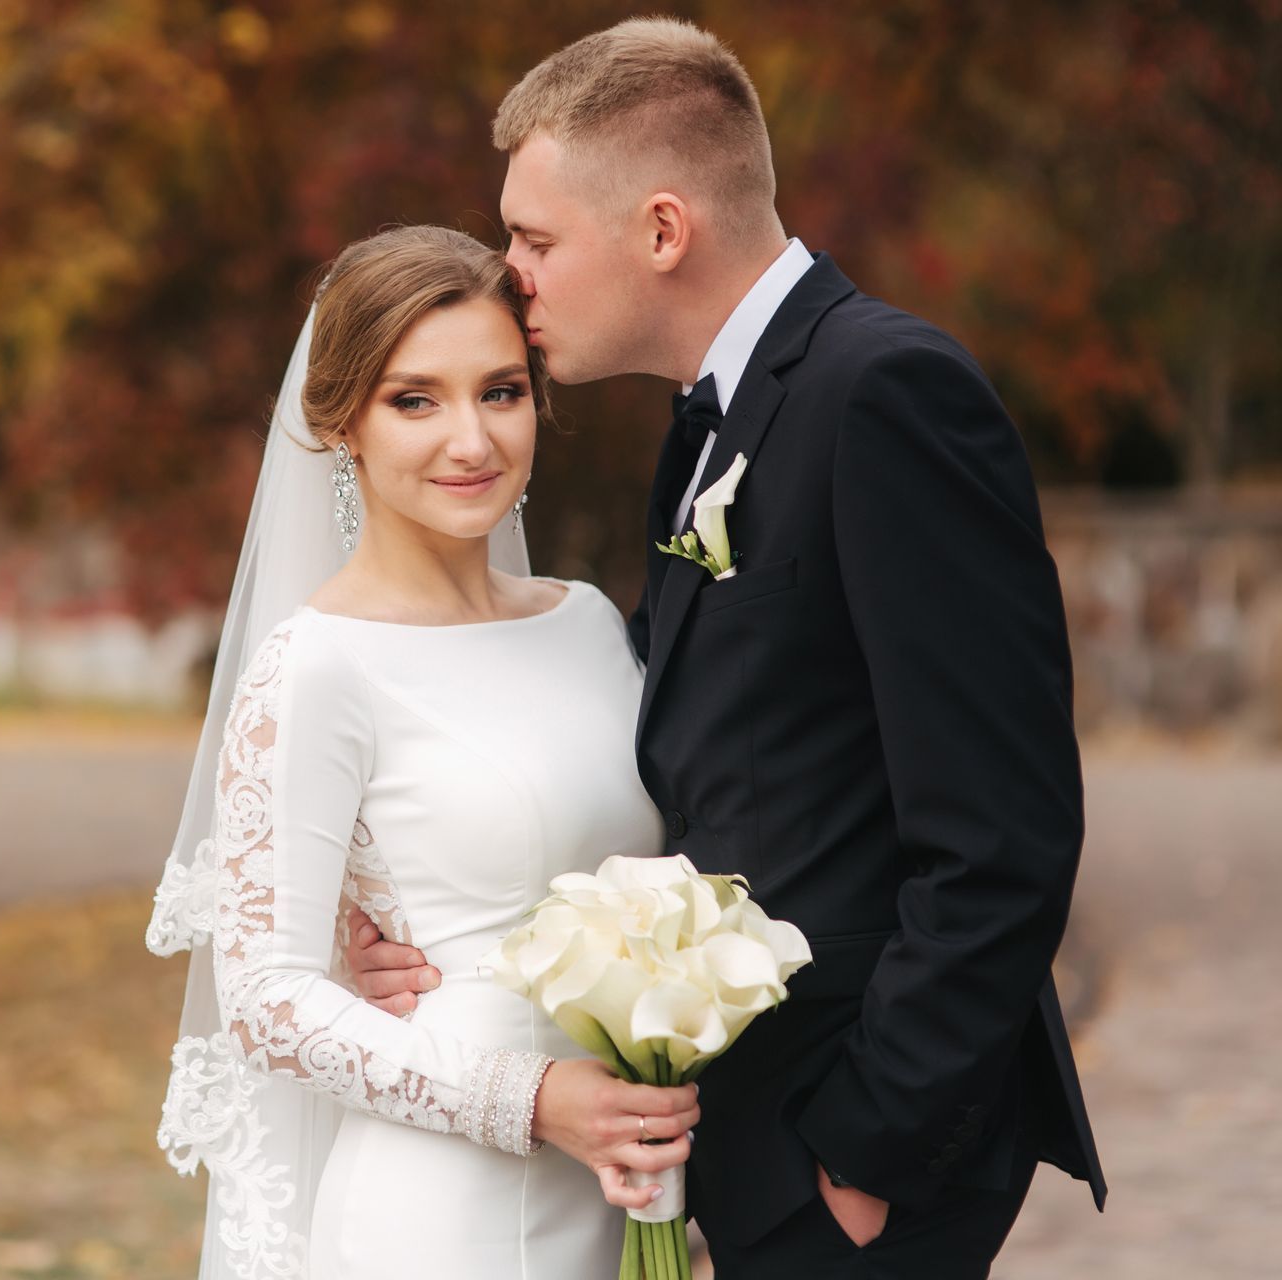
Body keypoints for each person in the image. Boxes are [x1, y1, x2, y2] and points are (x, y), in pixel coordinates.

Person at [343, 18, 1106, 1278]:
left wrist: (861, 1162)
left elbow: (1002, 837)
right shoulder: (711, 427)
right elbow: (697, 755)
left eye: (535, 240)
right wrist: (441, 930)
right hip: (751, 1143)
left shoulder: (886, 393)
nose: (512, 276)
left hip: (864, 1150)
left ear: (660, 229)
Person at [146, 224, 696, 1279]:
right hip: (445, 1210)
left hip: (623, 1188)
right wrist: (533, 1098)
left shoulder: (586, 623)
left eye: (501, 390)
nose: (472, 439)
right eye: (415, 399)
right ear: (340, 421)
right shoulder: (317, 667)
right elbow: (267, 998)